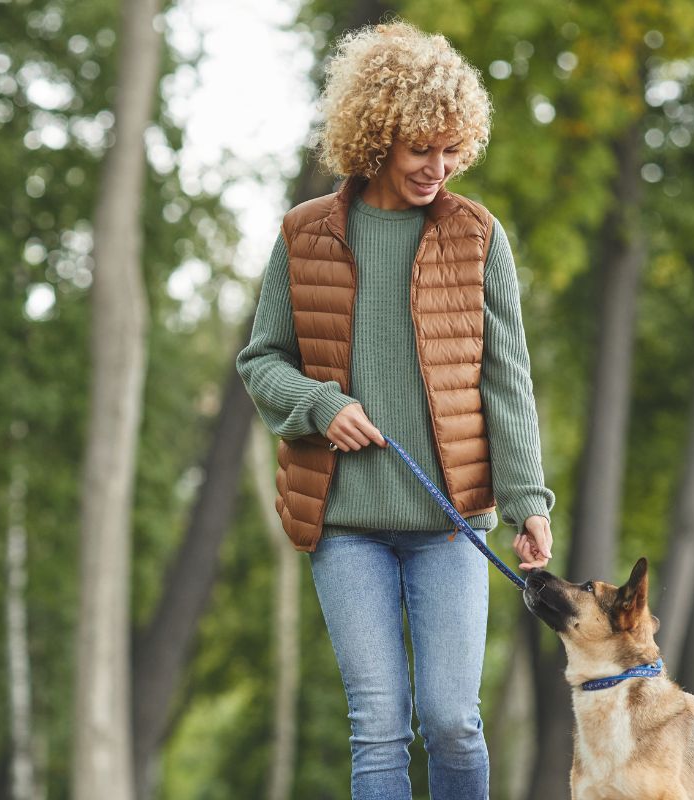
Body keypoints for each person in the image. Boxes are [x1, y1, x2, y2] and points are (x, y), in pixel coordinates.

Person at [236, 19, 555, 800]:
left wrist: (528, 502)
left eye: (451, 150)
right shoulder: (305, 235)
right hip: (345, 523)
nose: (437, 168)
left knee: (452, 721)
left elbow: (506, 379)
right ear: (377, 136)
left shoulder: (477, 236)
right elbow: (260, 359)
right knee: (379, 725)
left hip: (450, 522)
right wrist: (319, 405)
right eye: (420, 149)